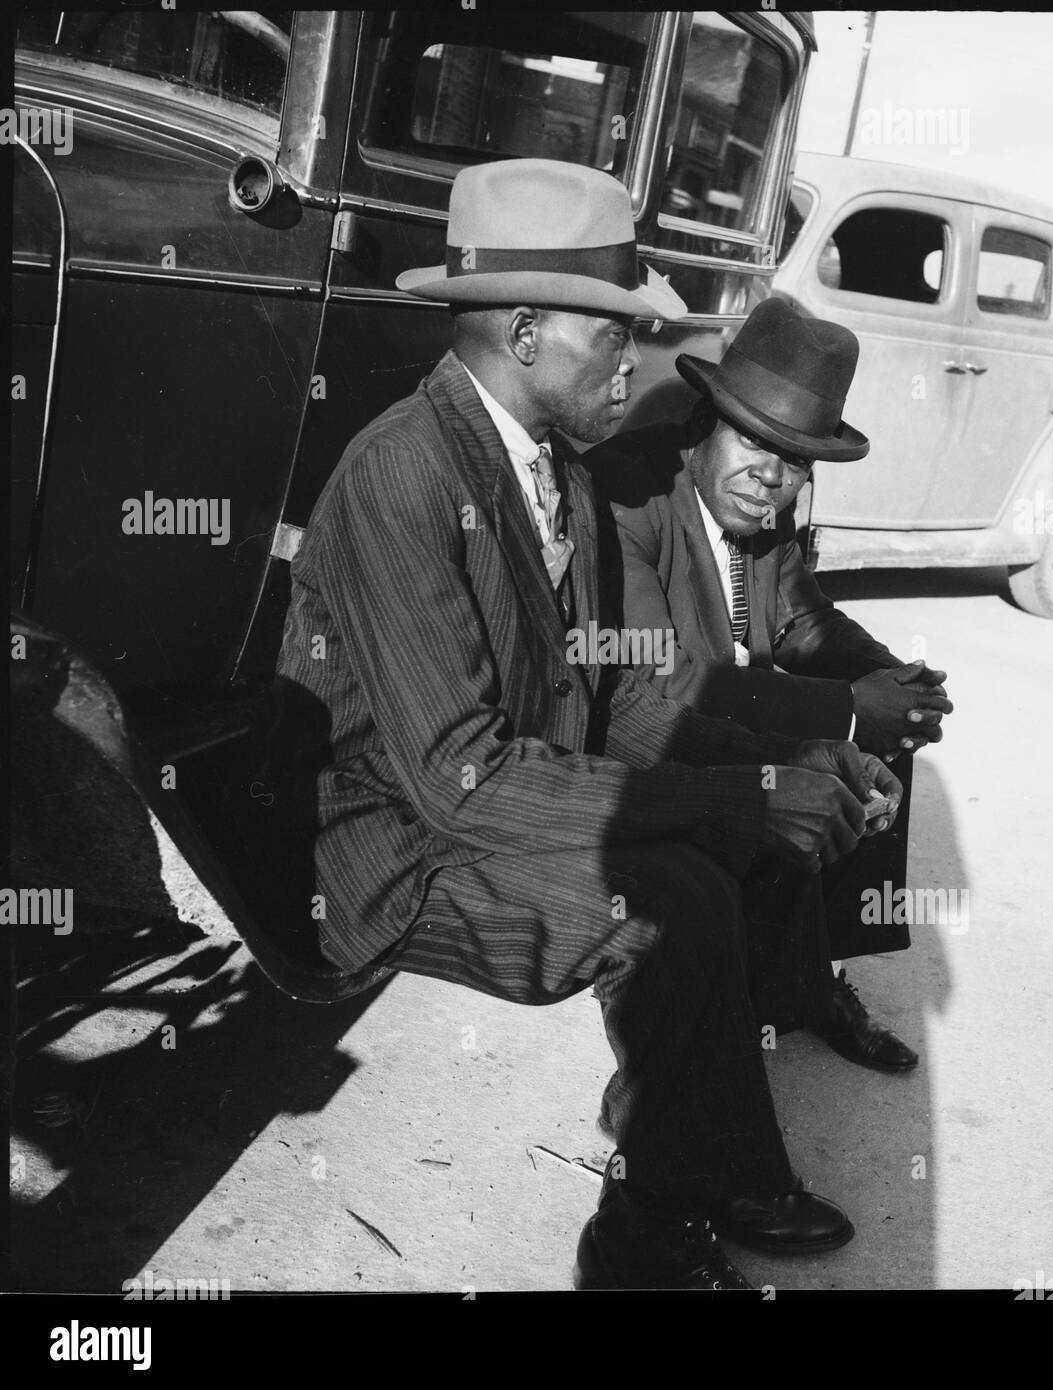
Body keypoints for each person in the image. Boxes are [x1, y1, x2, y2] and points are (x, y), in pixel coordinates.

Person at [272, 159, 904, 1290]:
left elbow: (609, 697)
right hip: (393, 848)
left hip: (492, 789)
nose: (636, 357)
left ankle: (696, 1145)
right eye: (613, 333)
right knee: (669, 906)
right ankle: (641, 1242)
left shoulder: (548, 467)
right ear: (523, 332)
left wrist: (786, 757)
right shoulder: (401, 476)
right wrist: (742, 795)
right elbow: (458, 778)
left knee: (717, 867)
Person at [587, 298, 953, 1070]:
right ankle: (750, 989)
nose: (770, 478)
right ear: (705, 422)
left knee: (886, 733)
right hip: (644, 745)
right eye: (753, 442)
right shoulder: (626, 495)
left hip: (721, 715)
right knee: (844, 733)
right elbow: (670, 685)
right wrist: (850, 710)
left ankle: (810, 978)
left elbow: (797, 617)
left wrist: (884, 676)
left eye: (794, 462)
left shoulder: (762, 506)